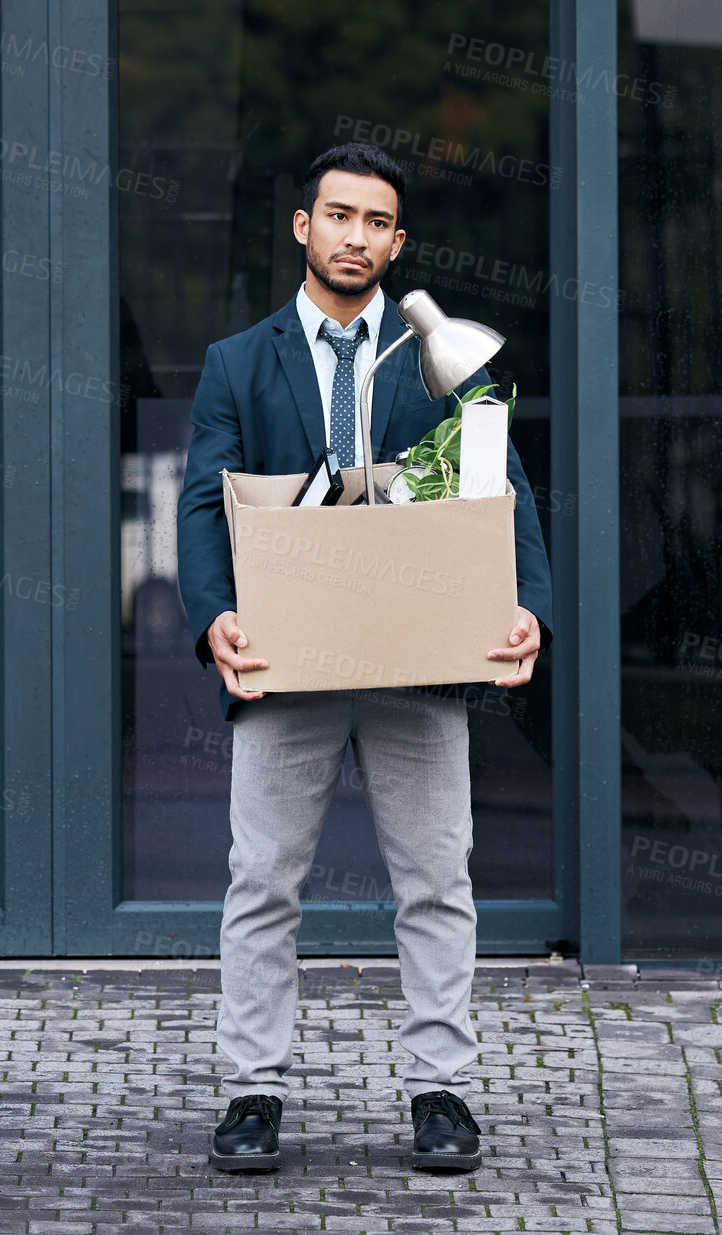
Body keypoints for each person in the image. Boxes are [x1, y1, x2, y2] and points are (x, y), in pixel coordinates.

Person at [175, 142, 553, 1173]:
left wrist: (529, 609)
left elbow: (499, 480)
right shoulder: (237, 363)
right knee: (262, 881)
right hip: (287, 658)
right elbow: (205, 502)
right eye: (339, 215)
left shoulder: (439, 355)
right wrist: (214, 616)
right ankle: (253, 1090)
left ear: (398, 241)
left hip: (419, 657)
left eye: (378, 221)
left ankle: (443, 1089)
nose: (357, 236)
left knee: (438, 880)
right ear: (304, 226)